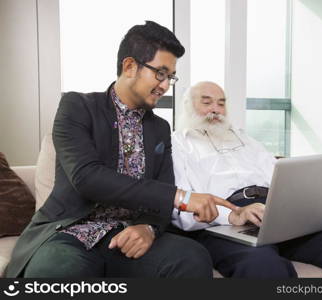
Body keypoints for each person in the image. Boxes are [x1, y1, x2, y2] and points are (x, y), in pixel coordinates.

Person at [5, 22, 236, 278]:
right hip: (69, 234)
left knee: (191, 257)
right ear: (129, 67)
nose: (165, 85)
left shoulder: (159, 128)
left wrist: (148, 228)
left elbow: (161, 190)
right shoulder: (77, 106)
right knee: (55, 272)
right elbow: (87, 177)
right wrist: (182, 198)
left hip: (127, 237)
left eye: (170, 76)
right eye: (160, 73)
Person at [171, 81, 322, 278]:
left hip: (276, 211)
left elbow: (280, 175)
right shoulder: (177, 145)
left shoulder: (245, 138)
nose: (216, 110)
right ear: (188, 106)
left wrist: (320, 204)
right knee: (262, 266)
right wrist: (234, 214)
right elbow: (183, 210)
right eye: (207, 102)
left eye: (221, 103)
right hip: (226, 221)